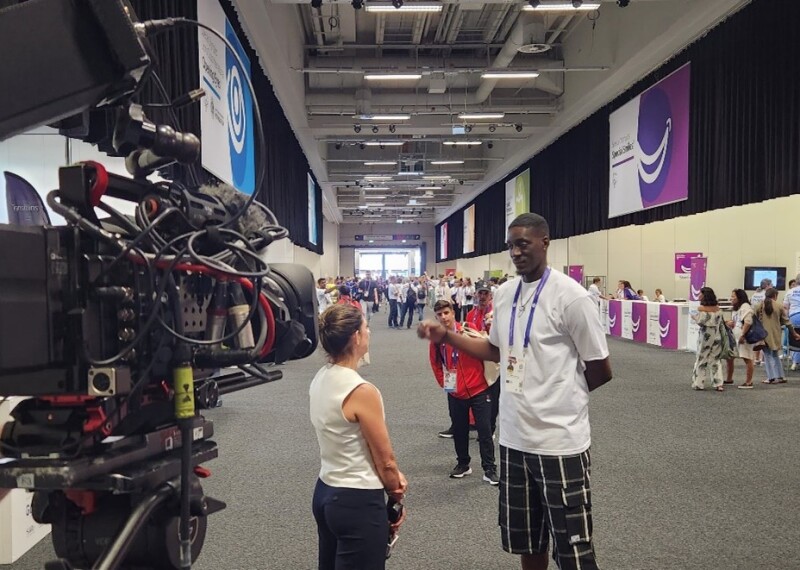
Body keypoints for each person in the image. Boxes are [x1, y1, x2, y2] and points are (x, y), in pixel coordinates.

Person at [418, 213, 612, 570]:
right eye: (511, 245)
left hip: (559, 442)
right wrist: (447, 336)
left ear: (545, 242)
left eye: (524, 243)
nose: (516, 252)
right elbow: (495, 350)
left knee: (574, 548)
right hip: (513, 439)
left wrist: (559, 396)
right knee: (527, 540)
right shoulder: (504, 295)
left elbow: (600, 369)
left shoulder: (572, 298)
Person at [310, 304, 407, 570]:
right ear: (355, 337)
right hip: (358, 502)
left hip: (326, 492)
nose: (368, 331)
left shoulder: (321, 377)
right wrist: (396, 494)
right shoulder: (362, 391)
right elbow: (385, 460)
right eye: (365, 327)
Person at [428, 299, 499, 485]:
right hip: (455, 391)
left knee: (484, 431)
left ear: (452, 313)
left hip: (479, 389)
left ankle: (490, 468)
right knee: (459, 431)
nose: (443, 317)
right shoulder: (437, 340)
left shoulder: (468, 329)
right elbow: (435, 363)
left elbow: (486, 345)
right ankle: (463, 464)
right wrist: (446, 384)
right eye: (439, 315)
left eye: (446, 313)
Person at [465, 281, 500, 436]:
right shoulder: (470, 314)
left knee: (494, 396)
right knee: (478, 396)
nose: (483, 297)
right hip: (477, 361)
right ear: (476, 294)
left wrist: (489, 327)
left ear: (491, 296)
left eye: (486, 293)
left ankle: (490, 427)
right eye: (480, 293)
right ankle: (477, 424)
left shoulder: (496, 314)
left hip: (494, 363)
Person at [755, 287, 799, 384]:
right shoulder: (779, 306)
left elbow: (754, 319)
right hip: (776, 334)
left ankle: (771, 377)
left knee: (767, 355)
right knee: (775, 355)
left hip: (764, 335)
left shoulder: (759, 306)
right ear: (775, 296)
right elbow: (787, 322)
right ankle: (780, 376)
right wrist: (794, 333)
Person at [690, 287, 726, 391]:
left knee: (702, 359)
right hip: (717, 335)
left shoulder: (702, 309)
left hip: (706, 336)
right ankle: (718, 383)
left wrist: (694, 317)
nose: (699, 295)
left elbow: (701, 322)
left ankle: (699, 383)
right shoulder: (718, 309)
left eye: (700, 294)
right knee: (715, 360)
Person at [725, 289, 756, 389]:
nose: (731, 298)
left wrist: (742, 335)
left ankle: (749, 382)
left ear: (739, 297)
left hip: (743, 337)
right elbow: (737, 321)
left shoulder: (745, 307)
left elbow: (748, 322)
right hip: (735, 336)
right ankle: (729, 379)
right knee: (730, 357)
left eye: (733, 296)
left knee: (747, 358)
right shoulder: (736, 308)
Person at [750, 278, 771, 366]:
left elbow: (751, 304)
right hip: (763, 319)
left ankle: (756, 359)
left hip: (754, 319)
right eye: (771, 285)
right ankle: (763, 360)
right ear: (767, 285)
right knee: (764, 339)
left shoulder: (755, 294)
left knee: (757, 339)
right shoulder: (766, 295)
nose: (772, 286)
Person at [783, 274, 800, 371]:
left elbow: (785, 308)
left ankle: (794, 362)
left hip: (793, 318)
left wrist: (786, 322)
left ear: (796, 281)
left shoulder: (790, 292)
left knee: (795, 339)